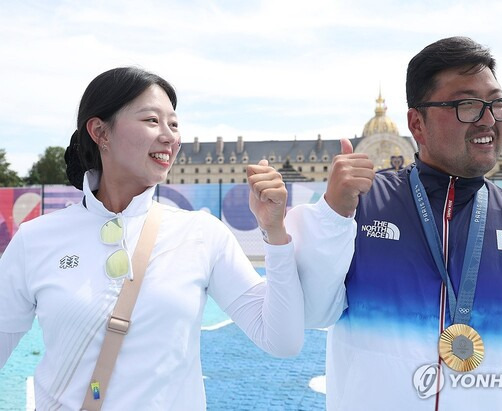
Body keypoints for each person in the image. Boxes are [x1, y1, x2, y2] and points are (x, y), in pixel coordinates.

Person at [286, 36, 502, 410]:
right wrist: (332, 216)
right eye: (467, 104)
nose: (488, 119)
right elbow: (310, 312)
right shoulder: (360, 208)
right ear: (417, 123)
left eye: (497, 104)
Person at [0, 67, 304, 410]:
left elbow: (282, 339)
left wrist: (274, 232)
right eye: (151, 120)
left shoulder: (202, 234)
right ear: (100, 132)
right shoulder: (36, 239)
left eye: (174, 124)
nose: (170, 137)